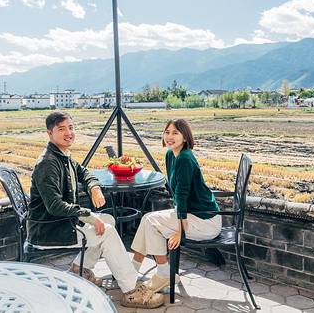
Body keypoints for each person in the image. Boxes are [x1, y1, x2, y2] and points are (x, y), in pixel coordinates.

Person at [27, 111, 164, 309]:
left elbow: (83, 172)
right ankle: (131, 291)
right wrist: (89, 216)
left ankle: (79, 270)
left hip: (63, 223)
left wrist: (94, 187)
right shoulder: (48, 163)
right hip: (50, 229)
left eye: (71, 127)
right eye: (62, 129)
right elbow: (55, 206)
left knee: (107, 220)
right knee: (106, 232)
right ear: (50, 133)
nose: (68, 133)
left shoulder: (62, 156)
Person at [131, 118, 222, 293]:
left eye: (175, 133)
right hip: (191, 214)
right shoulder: (170, 155)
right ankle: (135, 270)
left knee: (150, 222)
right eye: (167, 132)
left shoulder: (185, 158)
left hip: (205, 221)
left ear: (185, 137)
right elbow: (177, 194)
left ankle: (161, 274)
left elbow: (182, 195)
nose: (169, 137)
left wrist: (180, 231)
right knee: (148, 220)